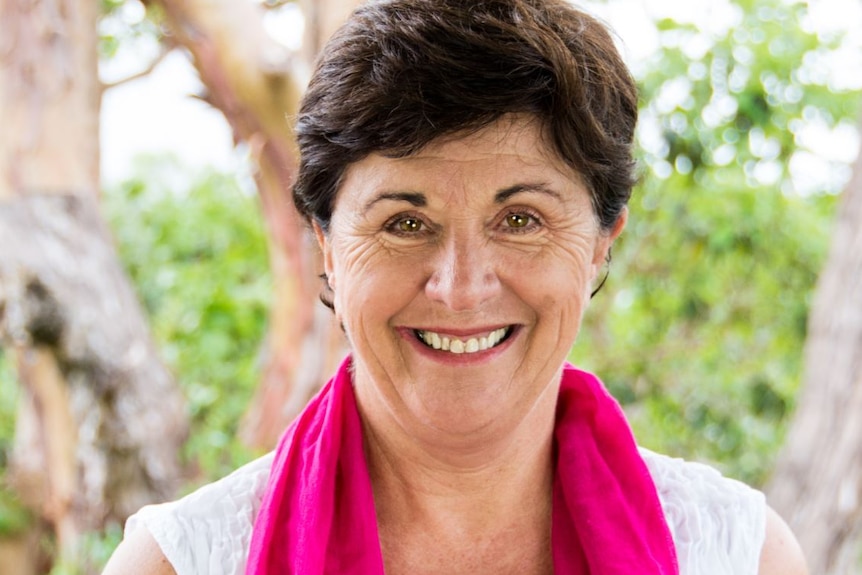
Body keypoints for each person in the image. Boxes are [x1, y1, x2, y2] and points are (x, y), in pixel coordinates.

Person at [103, 0, 809, 573]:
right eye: (406, 222)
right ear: (327, 247)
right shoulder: (177, 561)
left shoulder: (739, 554)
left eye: (521, 218)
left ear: (600, 245)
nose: (461, 288)